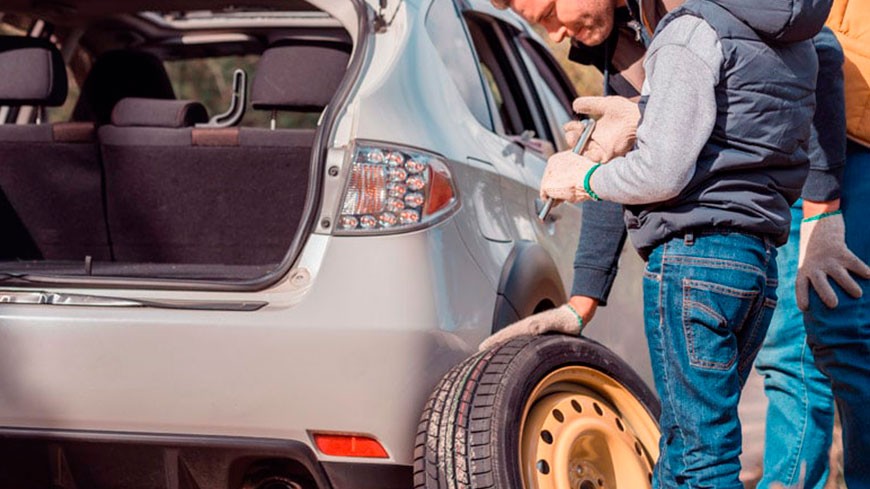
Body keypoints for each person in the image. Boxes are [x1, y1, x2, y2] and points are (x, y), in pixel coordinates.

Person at [480, 0, 832, 486]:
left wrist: (589, 177)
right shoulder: (773, 29)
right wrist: (583, 296)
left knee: (703, 456)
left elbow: (658, 170)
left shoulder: (686, 30)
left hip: (692, 258)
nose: (555, 36)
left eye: (545, 14)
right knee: (686, 447)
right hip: (754, 264)